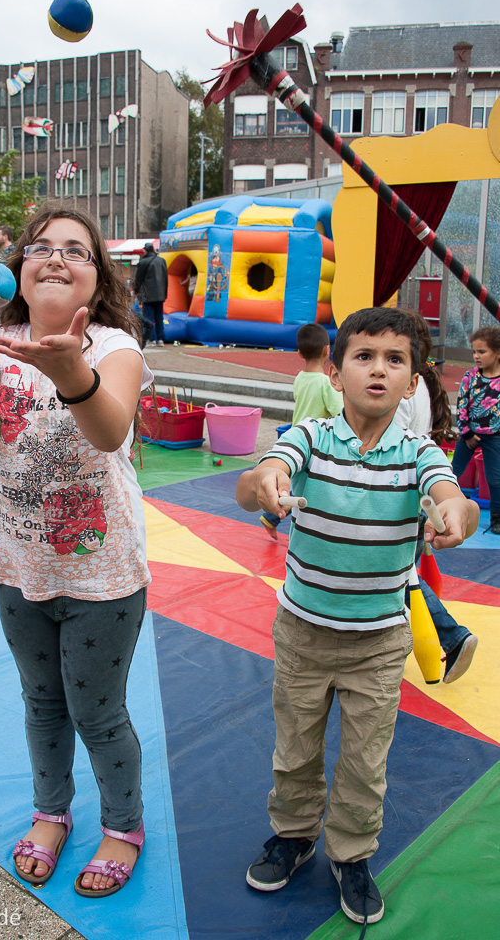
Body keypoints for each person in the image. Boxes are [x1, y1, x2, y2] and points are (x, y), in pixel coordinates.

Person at [0, 201, 153, 897]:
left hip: (103, 574)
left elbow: (107, 432)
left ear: (97, 278)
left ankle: (122, 826)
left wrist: (71, 368)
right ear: (17, 272)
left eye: (76, 250)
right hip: (19, 566)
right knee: (41, 704)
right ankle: (51, 811)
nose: (55, 257)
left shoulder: (113, 349)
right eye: (41, 246)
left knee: (98, 712)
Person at [236, 308, 478, 933]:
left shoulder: (419, 452)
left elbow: (454, 496)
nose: (379, 369)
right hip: (303, 631)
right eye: (364, 356)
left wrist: (456, 515)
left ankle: (352, 853)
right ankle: (293, 834)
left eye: (395, 360)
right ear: (337, 373)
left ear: (413, 381)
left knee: (365, 760)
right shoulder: (310, 437)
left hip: (378, 640)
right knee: (295, 748)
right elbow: (262, 476)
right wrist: (265, 480)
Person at [394, 309, 477, 683]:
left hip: (399, 495)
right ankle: (449, 638)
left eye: (392, 356)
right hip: (412, 494)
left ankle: (452, 636)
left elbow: (396, 447)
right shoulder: (422, 384)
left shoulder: (404, 396)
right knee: (405, 572)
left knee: (401, 574)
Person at [260, 323, 343, 540]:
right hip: (317, 442)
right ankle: (275, 516)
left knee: (299, 483)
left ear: (299, 353)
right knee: (308, 487)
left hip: (298, 437)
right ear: (327, 350)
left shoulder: (300, 377)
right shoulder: (326, 383)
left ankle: (272, 516)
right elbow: (339, 412)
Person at [451, 326, 500, 535]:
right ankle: (437, 505)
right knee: (453, 471)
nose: (476, 356)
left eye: (482, 352)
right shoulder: (470, 376)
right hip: (469, 435)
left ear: (497, 353)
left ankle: (497, 517)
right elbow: (462, 404)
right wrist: (467, 434)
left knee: (495, 478)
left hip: (494, 437)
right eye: (474, 352)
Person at [134, 242, 167, 346]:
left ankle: (151, 339)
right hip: (160, 294)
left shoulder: (143, 262)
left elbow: (138, 279)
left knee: (149, 318)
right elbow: (165, 278)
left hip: (148, 295)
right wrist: (164, 293)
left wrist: (136, 291)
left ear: (145, 250)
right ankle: (161, 339)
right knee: (159, 317)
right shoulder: (162, 261)